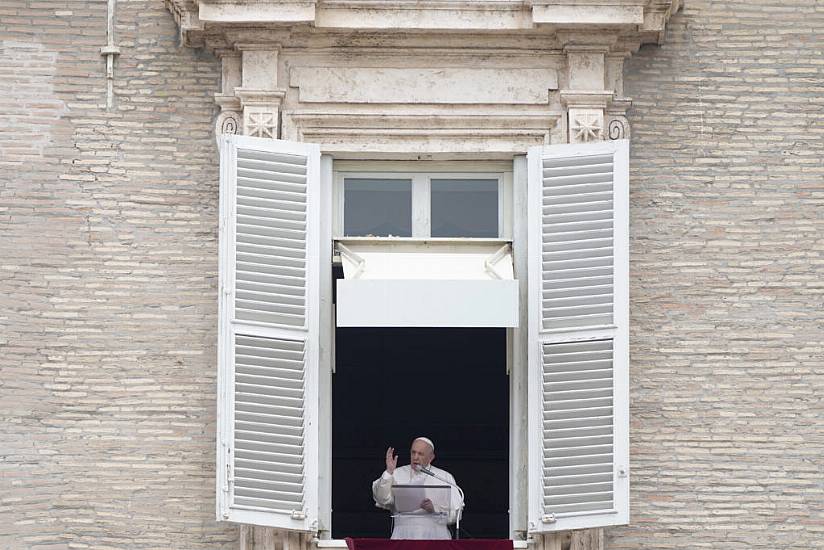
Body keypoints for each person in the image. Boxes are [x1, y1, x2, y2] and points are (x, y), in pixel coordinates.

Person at [372, 437, 464, 540]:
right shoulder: (397, 473)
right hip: (404, 535)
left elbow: (456, 514)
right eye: (413, 452)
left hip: (436, 536)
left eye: (420, 454)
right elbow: (381, 499)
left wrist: (434, 510)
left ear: (431, 457)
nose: (415, 457)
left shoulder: (444, 477)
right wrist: (389, 472)